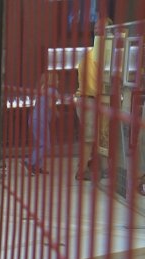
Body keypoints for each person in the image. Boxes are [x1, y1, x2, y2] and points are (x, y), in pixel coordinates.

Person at [74, 17, 111, 181]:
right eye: (96, 26)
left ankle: (104, 169)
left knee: (100, 137)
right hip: (90, 100)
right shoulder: (98, 52)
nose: (97, 29)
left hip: (87, 100)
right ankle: (81, 171)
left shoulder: (90, 54)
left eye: (100, 26)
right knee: (90, 138)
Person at [24, 72, 60, 176]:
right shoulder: (53, 91)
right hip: (41, 120)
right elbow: (50, 104)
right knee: (45, 145)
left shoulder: (42, 89)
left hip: (34, 119)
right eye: (57, 79)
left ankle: (37, 167)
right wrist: (56, 112)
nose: (58, 81)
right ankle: (30, 162)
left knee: (39, 144)